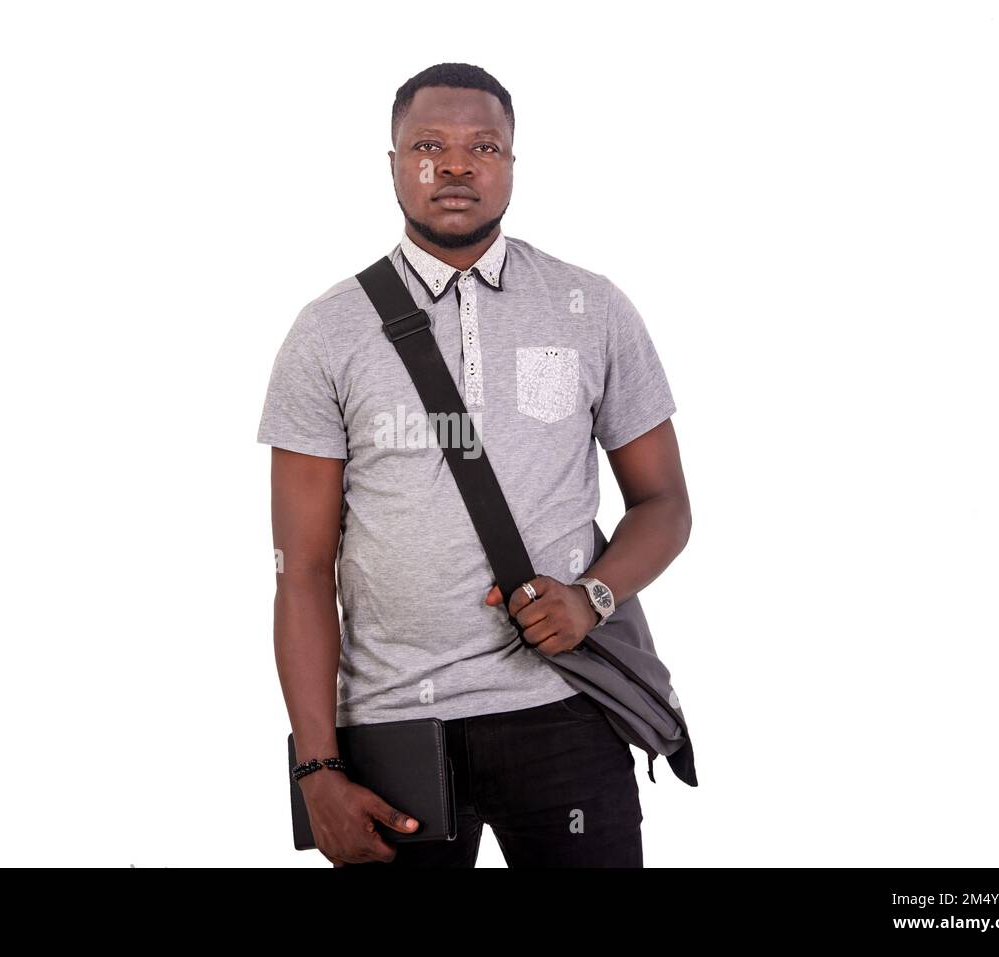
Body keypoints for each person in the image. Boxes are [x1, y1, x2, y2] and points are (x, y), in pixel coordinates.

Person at [257, 62, 692, 867]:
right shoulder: (326, 333)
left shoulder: (591, 306)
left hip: (564, 708)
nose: (455, 166)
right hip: (389, 729)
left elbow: (665, 503)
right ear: (391, 162)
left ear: (512, 164)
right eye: (429, 145)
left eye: (482, 147)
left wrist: (593, 596)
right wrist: (316, 767)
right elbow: (302, 570)